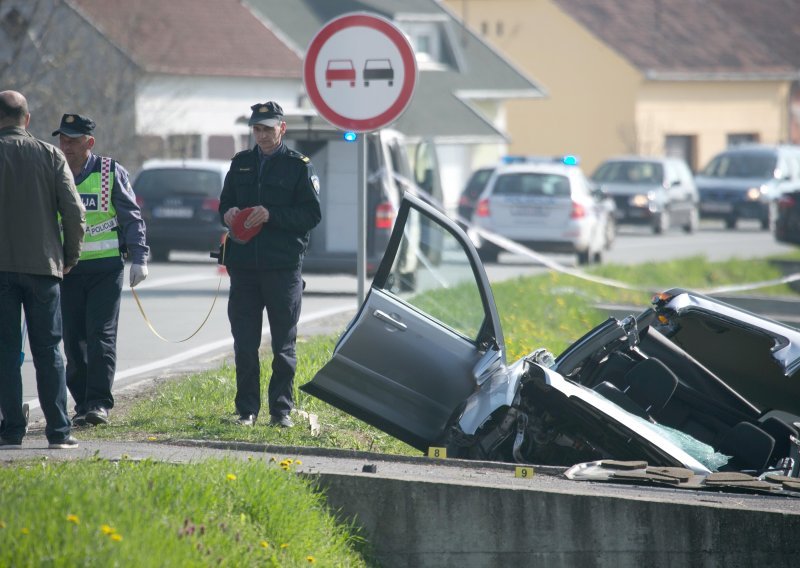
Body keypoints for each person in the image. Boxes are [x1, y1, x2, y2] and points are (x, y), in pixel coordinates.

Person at [219, 101, 321, 427]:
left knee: (283, 345)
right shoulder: (241, 163)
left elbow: (311, 215)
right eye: (257, 129)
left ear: (282, 128)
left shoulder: (299, 166)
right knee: (245, 344)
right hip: (245, 268)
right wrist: (229, 213)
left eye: (267, 128)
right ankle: (246, 410)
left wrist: (272, 215)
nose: (261, 135)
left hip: (283, 268)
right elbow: (224, 203)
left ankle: (281, 412)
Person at [0, 91, 86, 449]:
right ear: (28, 119)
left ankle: (11, 431)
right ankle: (58, 432)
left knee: (5, 352)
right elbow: (74, 212)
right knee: (49, 350)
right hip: (43, 266)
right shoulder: (50, 155)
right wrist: (68, 256)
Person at [53, 113, 149, 426]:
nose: (65, 146)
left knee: (100, 337)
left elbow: (131, 217)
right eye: (62, 139)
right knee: (73, 341)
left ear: (89, 142)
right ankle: (81, 402)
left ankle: (98, 403)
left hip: (105, 271)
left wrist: (139, 257)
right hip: (67, 271)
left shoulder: (109, 171)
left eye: (72, 140)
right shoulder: (53, 170)